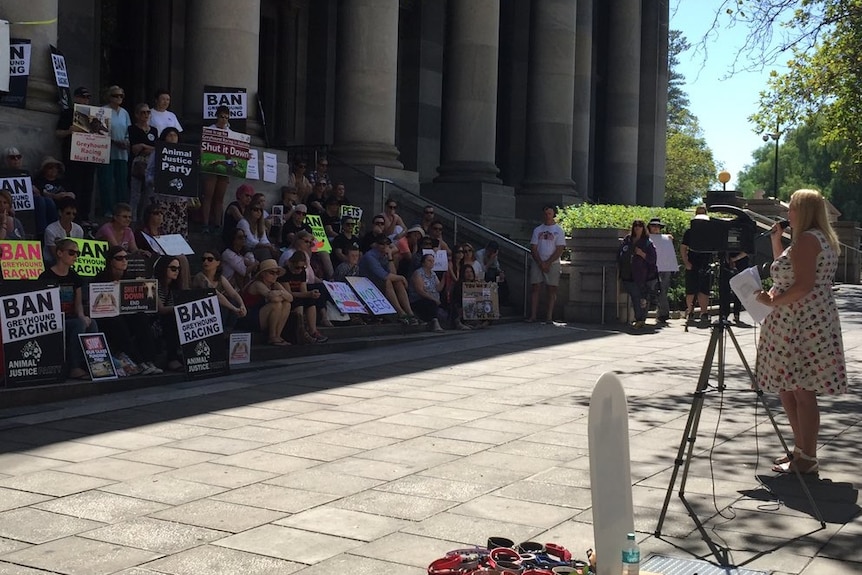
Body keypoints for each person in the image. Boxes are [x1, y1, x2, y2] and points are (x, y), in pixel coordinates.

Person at [754, 189, 847, 475]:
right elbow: (790, 272)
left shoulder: (808, 240)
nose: (787, 214)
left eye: (791, 209)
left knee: (801, 389)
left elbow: (803, 285)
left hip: (800, 321)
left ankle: (806, 456)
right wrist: (776, 242)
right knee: (791, 387)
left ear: (803, 211)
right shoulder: (818, 238)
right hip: (807, 318)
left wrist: (772, 301)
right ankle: (801, 451)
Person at [92, 245, 163, 376]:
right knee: (118, 322)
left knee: (141, 317)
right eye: (119, 258)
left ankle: (149, 360)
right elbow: (97, 304)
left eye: (126, 257)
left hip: (126, 314)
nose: (124, 260)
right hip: (108, 317)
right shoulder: (101, 277)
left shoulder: (130, 277)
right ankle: (139, 361)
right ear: (110, 261)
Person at [38, 238, 98, 380]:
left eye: (78, 253)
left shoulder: (75, 277)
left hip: (70, 317)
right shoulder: (45, 276)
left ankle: (95, 363)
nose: (75, 256)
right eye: (71, 252)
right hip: (53, 320)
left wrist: (82, 315)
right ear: (59, 253)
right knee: (79, 323)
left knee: (91, 323)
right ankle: (75, 367)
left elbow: (77, 304)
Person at [55, 86, 97, 222]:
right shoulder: (67, 113)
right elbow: (58, 133)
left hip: (90, 156)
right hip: (73, 157)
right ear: (76, 98)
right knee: (74, 187)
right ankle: (74, 216)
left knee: (88, 188)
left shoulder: (95, 115)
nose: (85, 100)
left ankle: (85, 216)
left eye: (87, 98)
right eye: (83, 97)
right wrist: (69, 131)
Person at [358, 234, 419, 324]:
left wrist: (390, 257)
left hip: (378, 282)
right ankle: (400, 312)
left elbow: (393, 273)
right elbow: (384, 275)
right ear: (376, 244)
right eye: (382, 244)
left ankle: (409, 313)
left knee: (397, 281)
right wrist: (402, 277)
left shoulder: (385, 255)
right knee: (388, 281)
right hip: (366, 283)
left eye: (387, 244)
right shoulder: (370, 256)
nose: (385, 246)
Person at [144, 127, 190, 237]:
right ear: (164, 137)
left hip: (179, 200)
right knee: (162, 227)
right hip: (162, 198)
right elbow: (148, 172)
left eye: (175, 135)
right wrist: (154, 181)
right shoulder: (157, 153)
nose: (173, 137)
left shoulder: (186, 153)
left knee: (179, 228)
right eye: (170, 135)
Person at [192, 250, 248, 333]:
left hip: (213, 312)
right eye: (203, 259)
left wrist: (242, 305)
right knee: (223, 304)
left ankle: (228, 330)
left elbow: (234, 294)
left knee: (233, 301)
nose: (206, 262)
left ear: (218, 263)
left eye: (210, 259)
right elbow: (216, 295)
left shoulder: (220, 278)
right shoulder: (200, 277)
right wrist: (234, 309)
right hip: (200, 312)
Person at [240, 259, 293, 346]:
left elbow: (290, 298)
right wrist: (281, 294)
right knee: (276, 305)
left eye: (277, 273)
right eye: (272, 272)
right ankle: (272, 336)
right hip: (249, 317)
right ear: (263, 273)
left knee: (287, 304)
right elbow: (273, 299)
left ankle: (277, 335)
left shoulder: (275, 284)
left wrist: (281, 292)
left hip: (262, 316)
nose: (275, 275)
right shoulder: (257, 284)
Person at [280, 251, 329, 343]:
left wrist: (310, 294)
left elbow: (303, 290)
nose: (299, 270)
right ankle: (300, 330)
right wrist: (308, 294)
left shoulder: (302, 273)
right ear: (291, 263)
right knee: (299, 302)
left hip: (297, 295)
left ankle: (313, 330)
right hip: (287, 296)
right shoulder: (285, 273)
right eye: (297, 267)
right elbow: (288, 293)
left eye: (302, 267)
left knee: (310, 300)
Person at [528, 205, 566, 323]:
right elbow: (533, 247)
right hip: (538, 262)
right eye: (545, 214)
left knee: (552, 289)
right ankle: (533, 315)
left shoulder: (558, 231)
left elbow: (560, 249)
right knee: (535, 288)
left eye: (549, 214)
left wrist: (548, 263)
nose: (547, 216)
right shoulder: (537, 230)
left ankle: (549, 316)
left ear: (553, 214)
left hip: (553, 263)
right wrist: (540, 263)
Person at [98, 85, 132, 216]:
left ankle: (121, 210)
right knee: (106, 181)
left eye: (121, 96)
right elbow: (98, 130)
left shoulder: (124, 113)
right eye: (115, 95)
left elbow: (128, 130)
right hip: (106, 151)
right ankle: (107, 209)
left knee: (121, 182)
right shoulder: (103, 110)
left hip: (122, 153)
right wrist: (113, 141)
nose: (118, 98)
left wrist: (126, 141)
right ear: (109, 97)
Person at [618, 219, 658, 328]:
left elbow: (652, 259)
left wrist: (641, 254)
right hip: (627, 274)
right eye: (635, 225)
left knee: (640, 298)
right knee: (636, 296)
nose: (637, 227)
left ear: (643, 228)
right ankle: (640, 319)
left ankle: (640, 319)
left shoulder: (647, 242)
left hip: (642, 275)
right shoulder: (628, 240)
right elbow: (621, 253)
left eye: (640, 225)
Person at [200, 105, 231, 233]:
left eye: (226, 117)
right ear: (217, 117)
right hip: (211, 166)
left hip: (224, 166)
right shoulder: (209, 131)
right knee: (208, 196)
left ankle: (217, 224)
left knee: (219, 197)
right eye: (221, 117)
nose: (224, 120)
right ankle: (205, 224)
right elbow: (202, 148)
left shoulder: (230, 133)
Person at [153, 255, 186, 370]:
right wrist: (181, 307)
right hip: (155, 321)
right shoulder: (153, 284)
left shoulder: (175, 286)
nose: (176, 271)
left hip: (171, 318)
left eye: (178, 269)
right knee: (171, 318)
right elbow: (160, 309)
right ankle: (172, 358)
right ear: (163, 268)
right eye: (173, 268)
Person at [681, 206, 712, 323]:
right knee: (690, 290)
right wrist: (686, 262)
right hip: (692, 263)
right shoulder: (689, 232)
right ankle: (690, 311)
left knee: (704, 290)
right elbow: (683, 248)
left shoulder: (710, 233)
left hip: (705, 263)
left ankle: (704, 312)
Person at [128, 102, 158, 220]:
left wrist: (144, 146)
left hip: (151, 163)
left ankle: (145, 220)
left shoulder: (154, 130)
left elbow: (157, 148)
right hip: (138, 163)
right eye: (143, 112)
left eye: (148, 112)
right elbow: (135, 149)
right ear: (137, 115)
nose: (146, 115)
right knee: (135, 194)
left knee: (149, 194)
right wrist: (144, 147)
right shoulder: (132, 129)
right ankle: (132, 220)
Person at [647, 218, 679, 324]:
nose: (656, 228)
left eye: (657, 226)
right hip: (651, 268)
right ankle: (643, 313)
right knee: (649, 290)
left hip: (665, 268)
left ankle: (663, 314)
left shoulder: (665, 239)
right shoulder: (646, 238)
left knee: (663, 291)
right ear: (649, 227)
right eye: (653, 226)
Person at [410, 253, 445, 332]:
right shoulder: (418, 273)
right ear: (423, 262)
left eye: (433, 261)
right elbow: (420, 291)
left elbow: (438, 288)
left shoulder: (433, 274)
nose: (431, 263)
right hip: (420, 299)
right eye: (429, 261)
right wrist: (434, 299)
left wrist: (444, 278)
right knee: (430, 303)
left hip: (433, 298)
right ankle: (435, 323)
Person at [44, 197, 84, 263]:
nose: (71, 216)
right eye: (68, 213)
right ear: (60, 212)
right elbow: (55, 254)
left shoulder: (78, 229)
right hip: (52, 262)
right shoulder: (50, 230)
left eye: (74, 214)